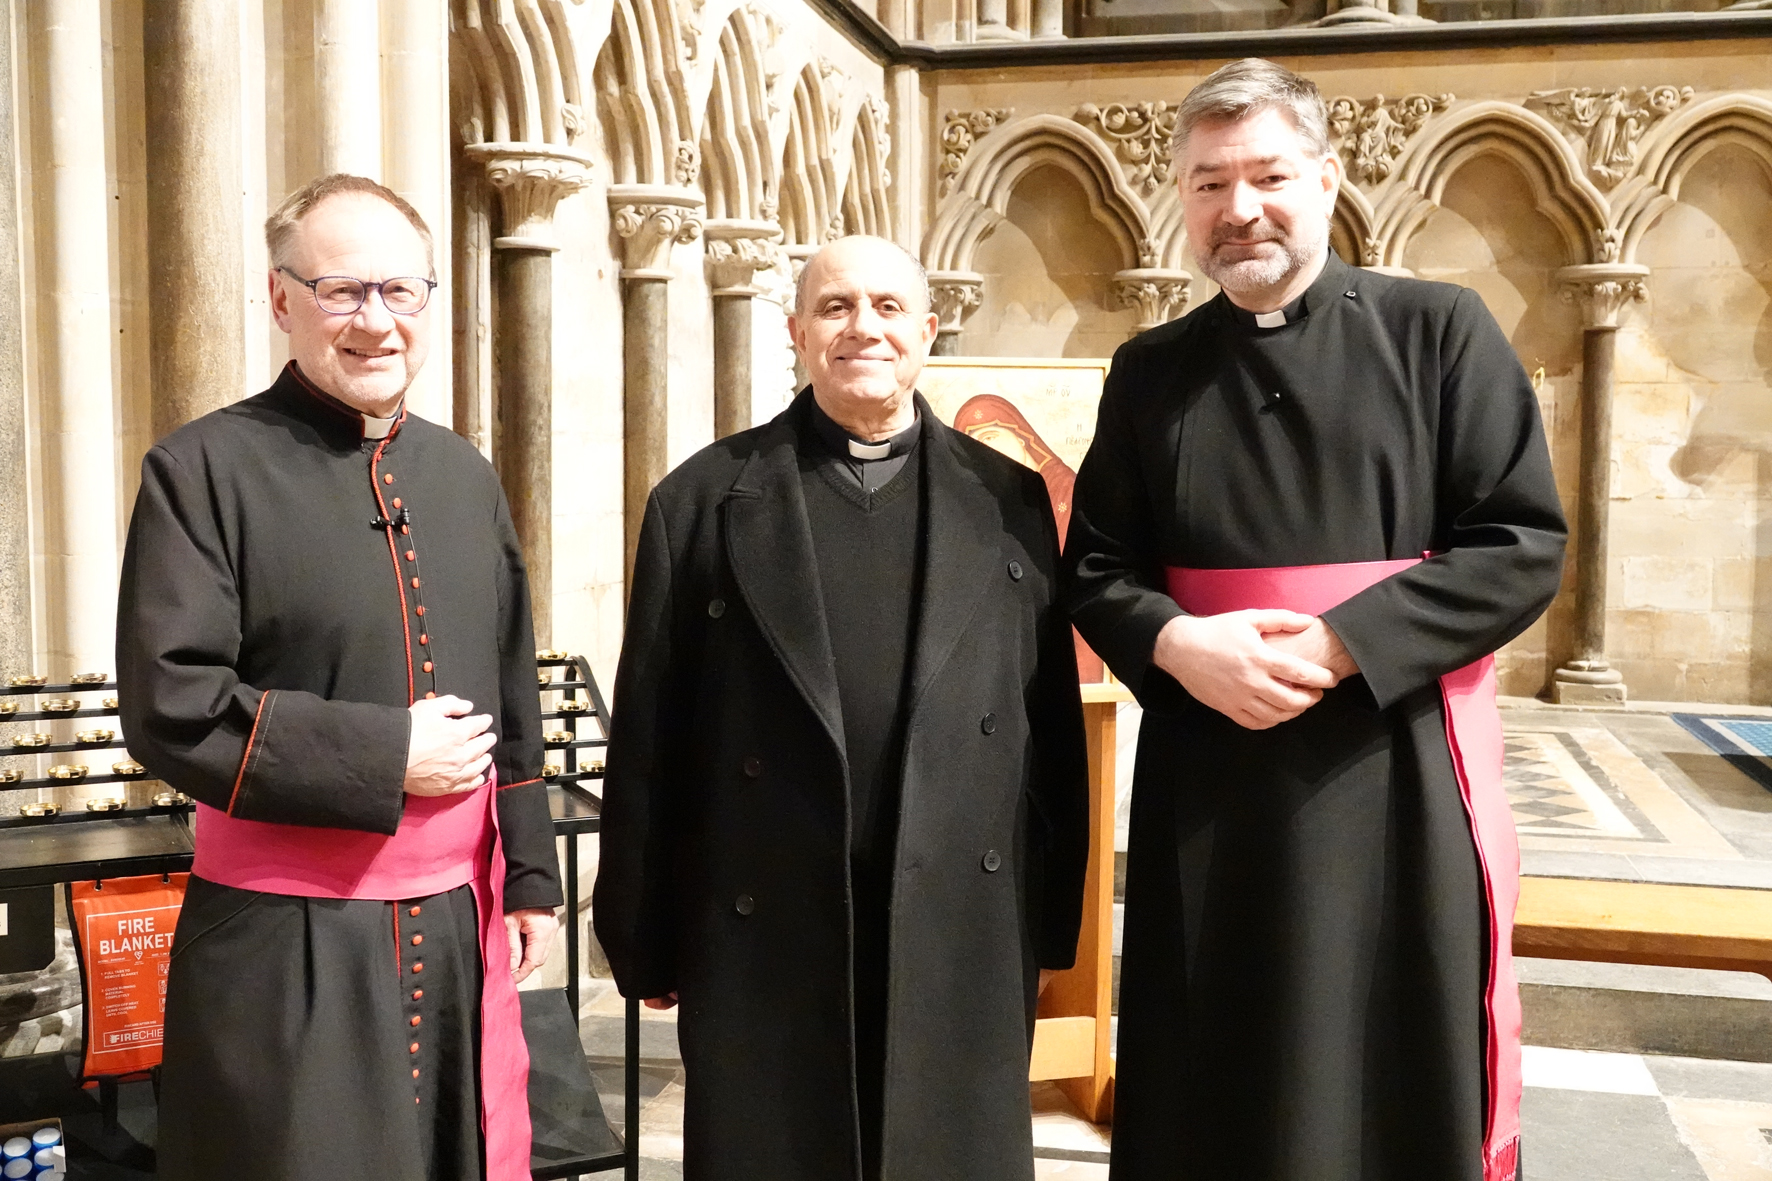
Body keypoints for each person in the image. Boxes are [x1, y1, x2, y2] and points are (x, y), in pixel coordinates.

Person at [1061, 59, 1566, 1181]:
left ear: (1326, 179)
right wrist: (1176, 641)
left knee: (1386, 1047)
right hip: (1210, 768)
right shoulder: (1149, 371)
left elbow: (1520, 543)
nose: (1237, 209)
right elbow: (1096, 561)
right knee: (1216, 1054)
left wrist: (1345, 642)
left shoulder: (1438, 331)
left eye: (1265, 176)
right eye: (1206, 183)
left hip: (1390, 765)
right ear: (1179, 201)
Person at [593, 234, 1090, 1181]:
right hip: (767, 915)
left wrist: (1049, 923)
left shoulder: (1012, 501)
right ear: (796, 332)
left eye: (889, 307)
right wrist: (642, 931)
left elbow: (1048, 729)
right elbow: (654, 736)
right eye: (835, 307)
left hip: (959, 911)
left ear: (929, 331)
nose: (864, 326)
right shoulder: (700, 500)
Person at [117, 174, 562, 1181]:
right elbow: (168, 698)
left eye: (399, 292)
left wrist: (529, 872)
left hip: (452, 929)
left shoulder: (463, 475)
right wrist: (386, 750)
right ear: (281, 299)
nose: (375, 322)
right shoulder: (200, 470)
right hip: (283, 942)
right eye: (340, 291)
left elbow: (511, 683)